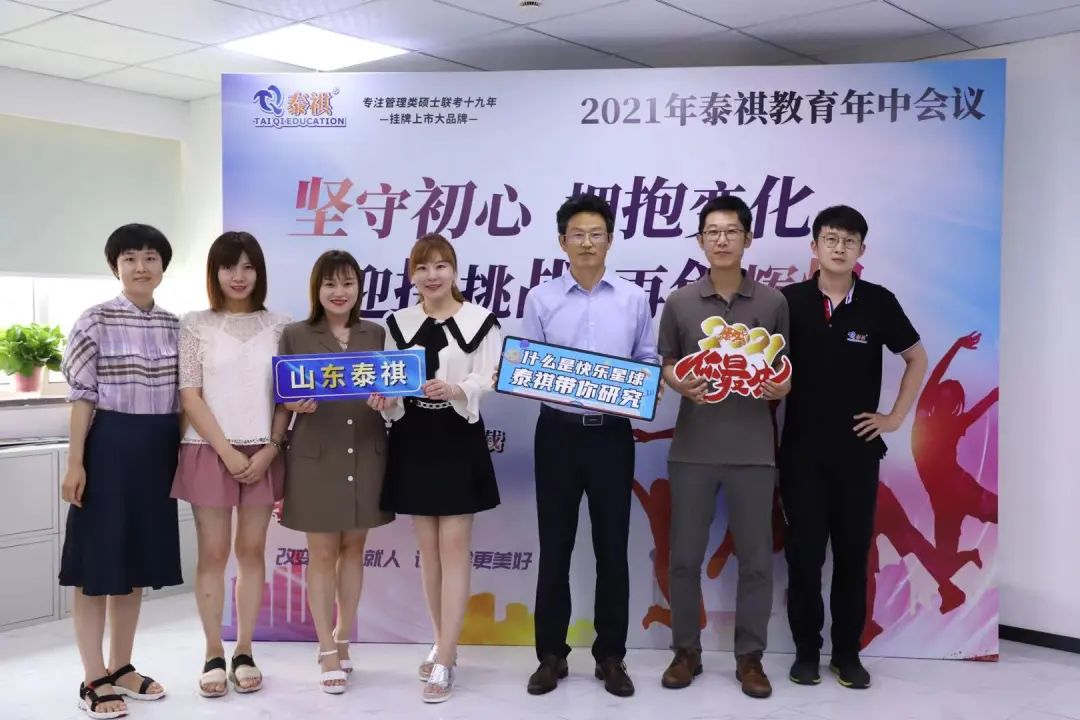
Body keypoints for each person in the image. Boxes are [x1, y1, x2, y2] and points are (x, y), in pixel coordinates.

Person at [780, 205, 927, 690]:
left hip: (857, 453)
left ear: (861, 249)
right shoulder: (789, 302)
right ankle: (806, 652)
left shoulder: (878, 302)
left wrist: (894, 418)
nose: (839, 248)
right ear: (814, 246)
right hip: (800, 453)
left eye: (849, 241)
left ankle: (846, 654)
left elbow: (916, 358)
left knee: (851, 555)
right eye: (830, 238)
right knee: (804, 557)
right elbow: (765, 366)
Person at [520, 194, 657, 698]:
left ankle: (611, 656)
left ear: (610, 240)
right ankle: (550, 656)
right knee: (555, 546)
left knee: (612, 549)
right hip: (557, 433)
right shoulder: (540, 299)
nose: (586, 242)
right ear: (562, 241)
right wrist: (540, 376)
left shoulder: (634, 299)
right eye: (576, 234)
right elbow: (527, 365)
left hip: (611, 436)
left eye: (595, 234)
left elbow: (647, 358)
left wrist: (645, 385)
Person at [657, 195, 790, 699]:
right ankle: (685, 652)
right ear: (700, 240)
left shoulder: (773, 303)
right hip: (692, 448)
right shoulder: (680, 302)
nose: (721, 240)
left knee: (756, 561)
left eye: (731, 231)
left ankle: (750, 657)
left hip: (754, 451)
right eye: (712, 232)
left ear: (747, 238)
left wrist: (782, 386)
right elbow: (666, 362)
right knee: (684, 558)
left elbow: (785, 368)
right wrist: (676, 379)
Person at [368, 233, 501, 704]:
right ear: (412, 275)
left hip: (458, 436)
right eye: (423, 268)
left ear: (454, 271)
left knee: (454, 547)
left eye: (441, 266)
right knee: (428, 549)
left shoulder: (481, 321)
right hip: (413, 438)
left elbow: (490, 374)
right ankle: (442, 642)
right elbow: (389, 380)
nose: (432, 275)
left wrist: (458, 389)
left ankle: (445, 656)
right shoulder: (397, 323)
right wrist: (383, 400)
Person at [60, 223, 183, 719]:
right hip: (107, 447)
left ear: (163, 266)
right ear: (116, 266)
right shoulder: (95, 320)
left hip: (158, 450)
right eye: (129, 258)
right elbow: (81, 396)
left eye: (150, 257)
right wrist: (75, 462)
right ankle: (93, 677)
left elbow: (186, 399)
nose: (140, 267)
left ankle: (122, 666)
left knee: (134, 565)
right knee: (96, 566)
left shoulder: (176, 325)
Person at [170, 231, 291, 698]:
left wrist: (271, 448)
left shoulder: (281, 326)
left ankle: (244, 649)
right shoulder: (195, 324)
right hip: (208, 448)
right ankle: (211, 652)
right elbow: (190, 395)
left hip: (263, 450)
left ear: (259, 272)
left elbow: (287, 395)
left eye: (247, 266)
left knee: (252, 550)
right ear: (214, 273)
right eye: (228, 267)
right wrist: (226, 451)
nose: (238, 276)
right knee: (214, 553)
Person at [277, 250, 394, 694]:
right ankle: (326, 647)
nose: (339, 292)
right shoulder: (295, 335)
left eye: (347, 283)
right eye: (330, 284)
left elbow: (390, 387)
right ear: (317, 289)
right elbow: (281, 393)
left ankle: (344, 637)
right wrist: (292, 403)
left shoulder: (375, 333)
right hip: (316, 455)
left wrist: (386, 400)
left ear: (359, 288)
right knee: (323, 554)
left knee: (354, 550)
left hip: (366, 451)